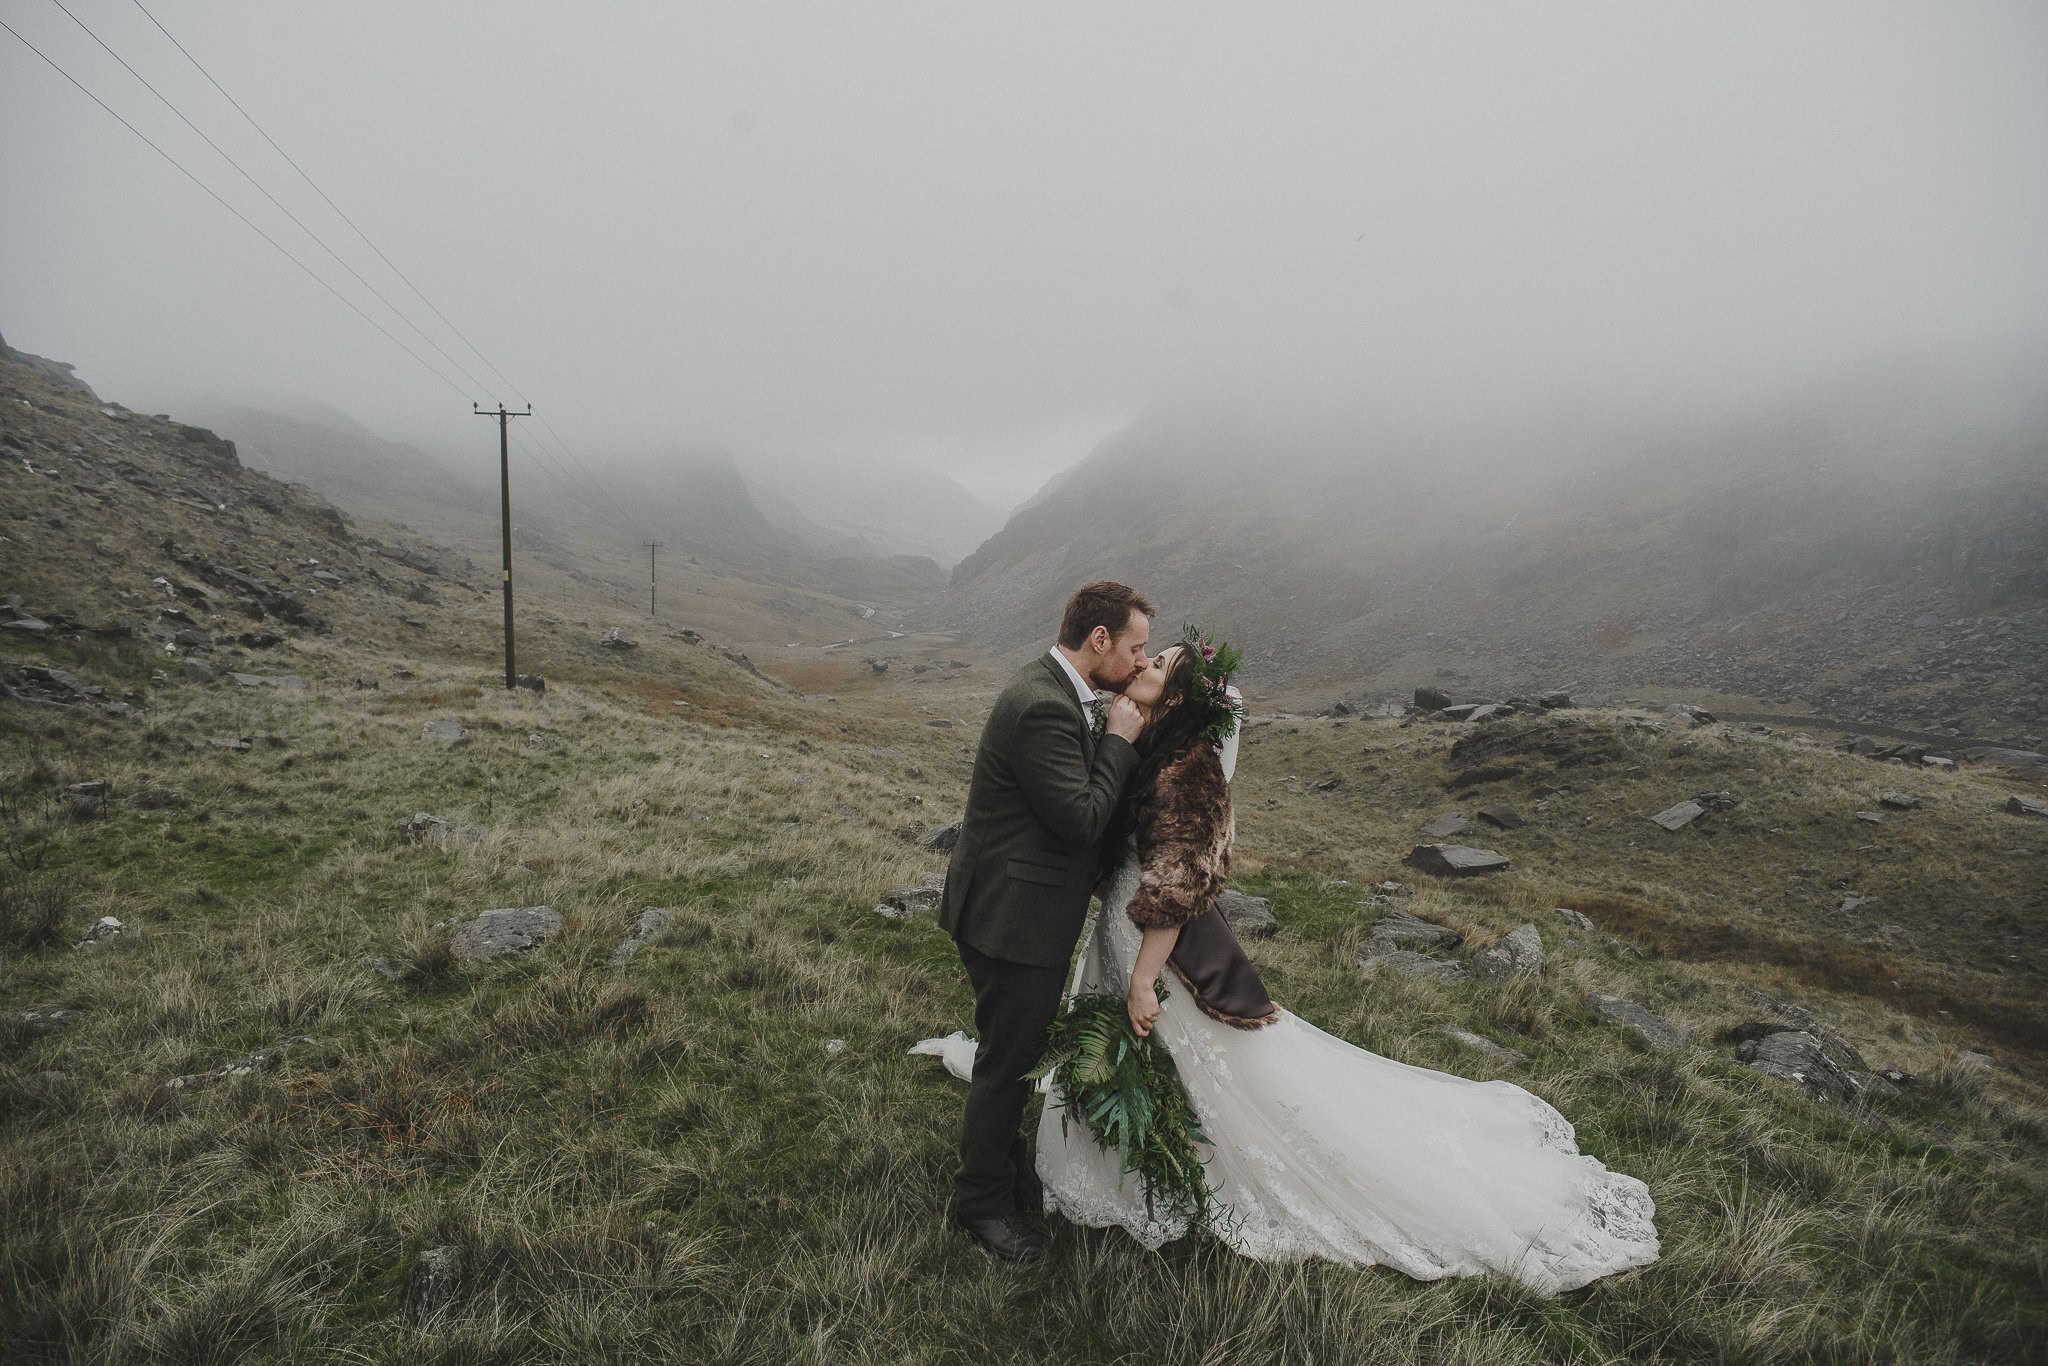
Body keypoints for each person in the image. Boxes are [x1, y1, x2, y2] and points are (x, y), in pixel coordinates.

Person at [1035, 633, 1662, 1295]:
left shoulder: (1188, 768)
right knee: (1144, 1055)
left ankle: (1182, 1171)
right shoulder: (1146, 742)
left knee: (1183, 1053)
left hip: (1151, 941)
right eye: (1147, 653)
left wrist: (1140, 980)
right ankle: (1127, 1164)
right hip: (1121, 928)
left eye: (1158, 662)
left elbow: (1180, 883)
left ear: (1180, 696)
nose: (1143, 662)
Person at [938, 581, 1154, 1263]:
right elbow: (1079, 817)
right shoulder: (1041, 707)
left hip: (1016, 909)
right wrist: (1121, 738)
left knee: (1016, 1050)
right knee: (1009, 1062)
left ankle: (1007, 1178)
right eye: (1136, 647)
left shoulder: (1060, 694)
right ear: (1099, 641)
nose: (1143, 663)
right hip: (1012, 919)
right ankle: (979, 1206)